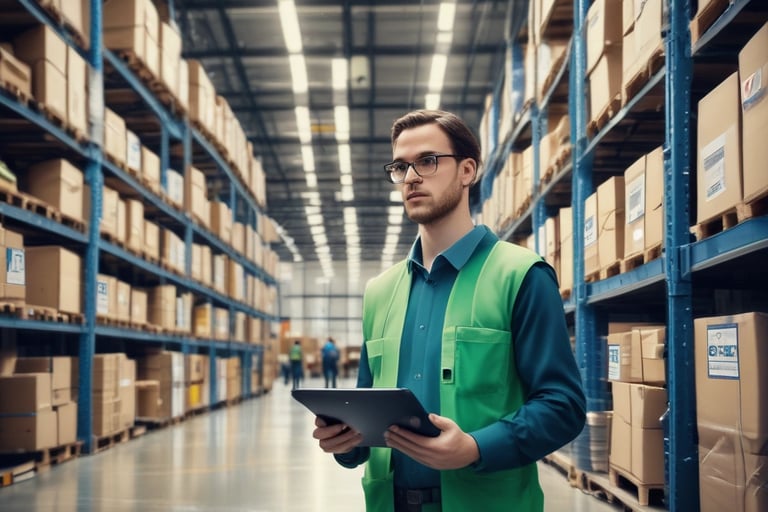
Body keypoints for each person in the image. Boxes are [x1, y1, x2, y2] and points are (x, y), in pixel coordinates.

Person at [309, 109, 586, 512]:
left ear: (467, 170)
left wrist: (476, 447)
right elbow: (368, 406)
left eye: (427, 161)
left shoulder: (521, 275)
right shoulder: (380, 292)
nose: (411, 177)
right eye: (400, 167)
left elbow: (563, 405)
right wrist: (346, 444)